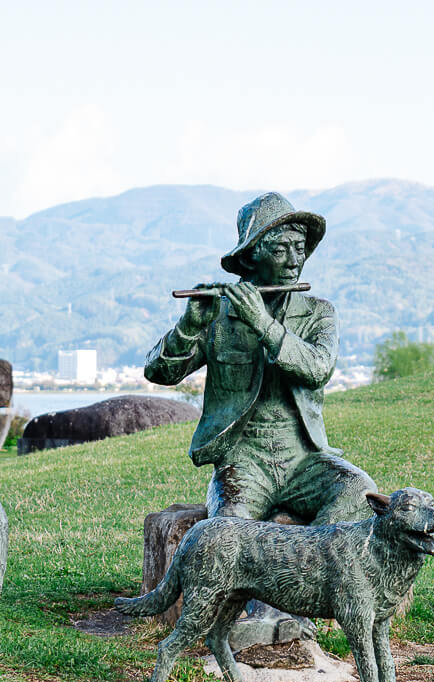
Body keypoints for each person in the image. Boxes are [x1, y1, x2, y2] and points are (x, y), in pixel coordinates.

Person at [144, 192, 377, 525]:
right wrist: (189, 325)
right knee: (229, 526)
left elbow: (317, 369)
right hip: (243, 463)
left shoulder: (319, 313)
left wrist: (262, 323)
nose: (294, 261)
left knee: (357, 491)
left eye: (299, 249)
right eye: (280, 250)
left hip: (304, 461)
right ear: (251, 256)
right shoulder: (217, 315)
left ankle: (309, 564)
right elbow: (159, 373)